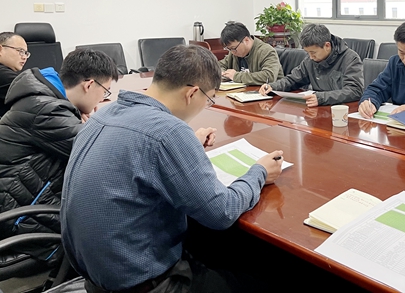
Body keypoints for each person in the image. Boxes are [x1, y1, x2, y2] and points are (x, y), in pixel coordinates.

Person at [61, 45, 283, 293]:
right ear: (192, 93)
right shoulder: (168, 132)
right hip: (143, 283)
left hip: (97, 277)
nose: (206, 105)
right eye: (209, 99)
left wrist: (186, 145)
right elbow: (222, 212)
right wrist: (259, 172)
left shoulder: (103, 115)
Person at [0, 48, 119, 257]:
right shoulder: (46, 111)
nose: (102, 99)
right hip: (22, 220)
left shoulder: (42, 99)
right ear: (89, 85)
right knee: (117, 224)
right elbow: (105, 154)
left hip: (21, 202)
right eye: (105, 92)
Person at [259, 24, 364, 107]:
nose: (310, 57)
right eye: (307, 52)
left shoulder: (350, 58)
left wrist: (321, 98)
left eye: (313, 52)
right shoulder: (310, 60)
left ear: (327, 46)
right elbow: (293, 79)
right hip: (317, 108)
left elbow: (354, 90)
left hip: (341, 111)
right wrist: (273, 87)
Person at [218, 21, 283, 85]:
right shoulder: (234, 52)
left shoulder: (266, 51)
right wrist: (223, 73)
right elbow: (219, 65)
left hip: (270, 91)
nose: (232, 52)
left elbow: (269, 77)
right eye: (229, 49)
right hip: (243, 90)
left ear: (246, 40)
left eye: (233, 48)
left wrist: (236, 76)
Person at [0, 32, 29, 117]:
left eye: (26, 53)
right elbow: (32, 87)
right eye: (20, 51)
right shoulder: (3, 74)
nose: (24, 57)